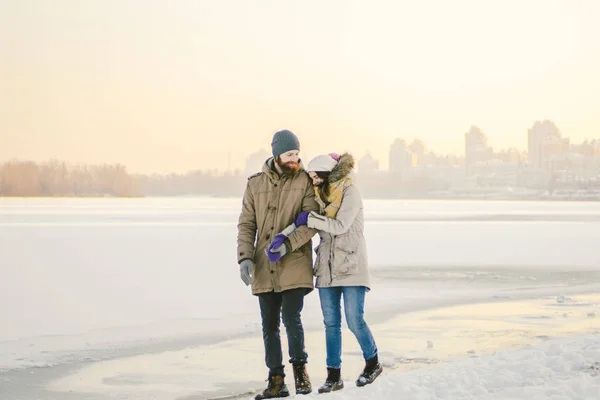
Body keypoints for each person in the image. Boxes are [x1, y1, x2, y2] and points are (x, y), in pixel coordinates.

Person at [237, 129, 319, 399]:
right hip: (264, 266)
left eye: (297, 153)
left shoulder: (306, 182)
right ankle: (276, 380)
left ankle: (301, 373)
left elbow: (310, 223)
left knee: (291, 318)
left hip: (294, 262)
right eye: (289, 154)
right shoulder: (254, 185)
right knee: (269, 324)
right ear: (277, 155)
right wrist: (245, 257)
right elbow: (246, 225)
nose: (295, 158)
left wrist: (287, 244)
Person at [292, 152, 383, 393]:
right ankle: (334, 376)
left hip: (351, 264)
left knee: (354, 319)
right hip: (326, 267)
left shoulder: (349, 191)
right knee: (331, 323)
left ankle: (372, 362)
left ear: (325, 174)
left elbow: (340, 225)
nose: (312, 181)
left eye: (314, 176)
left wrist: (311, 219)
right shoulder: (319, 194)